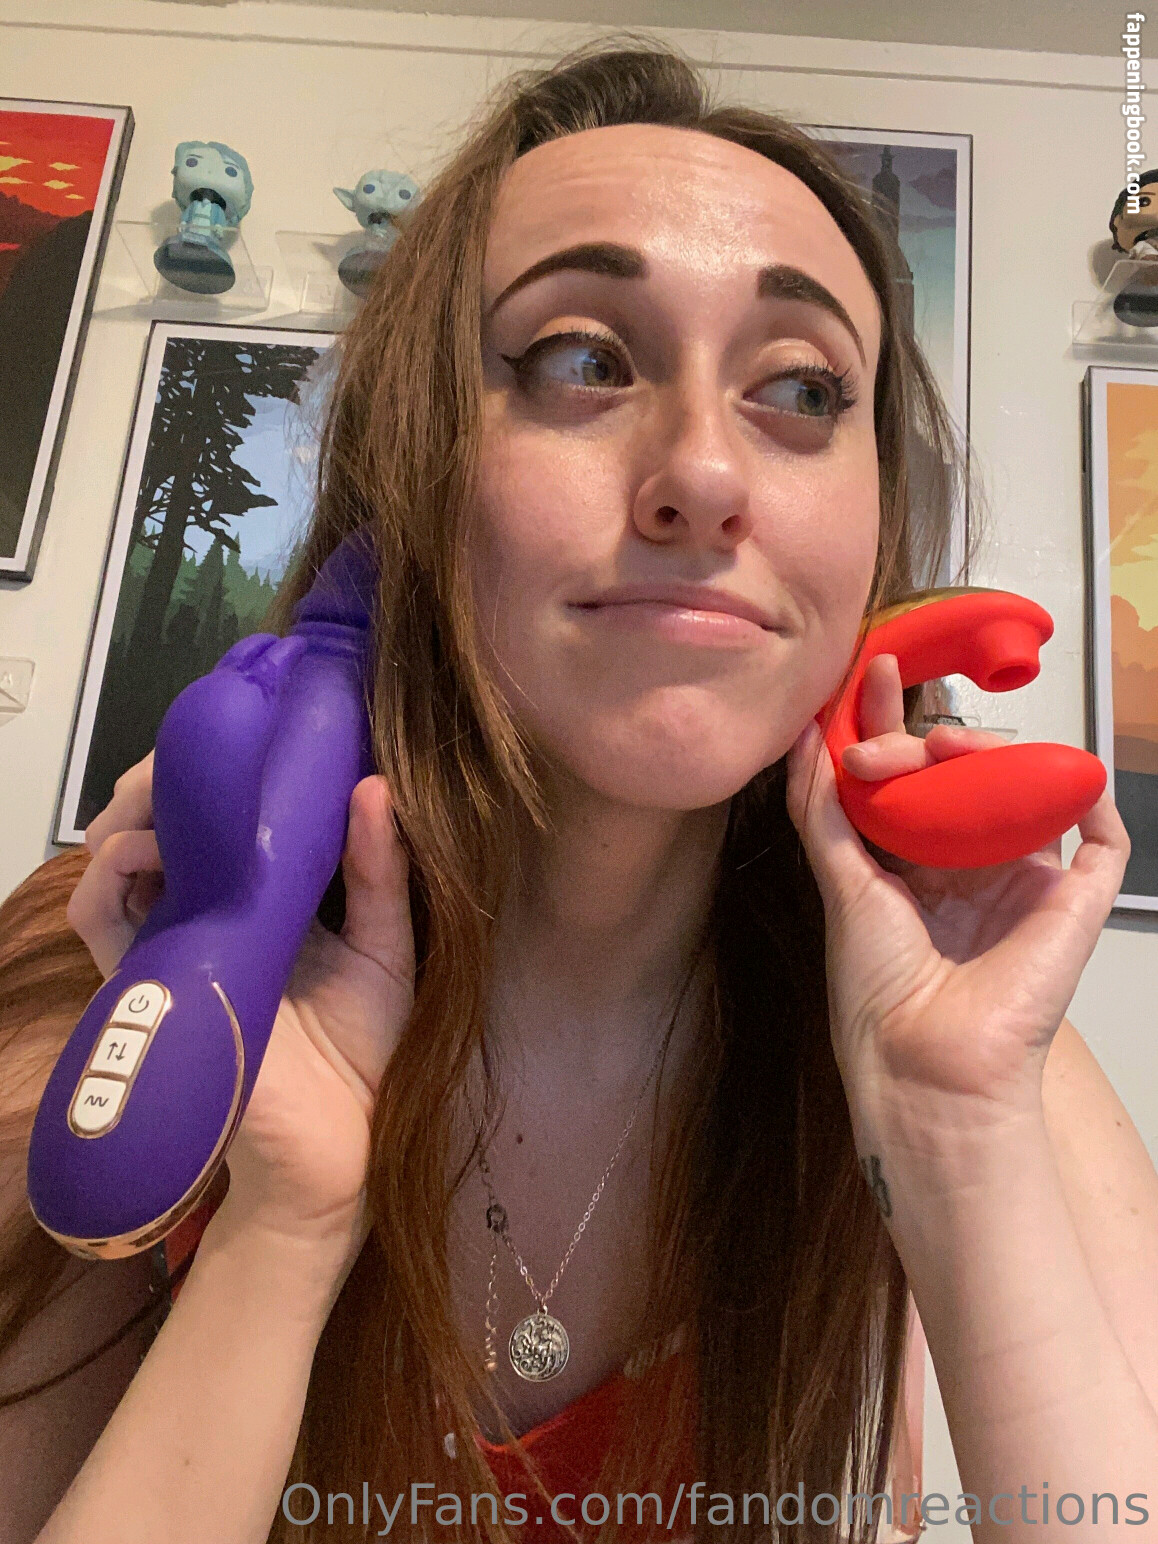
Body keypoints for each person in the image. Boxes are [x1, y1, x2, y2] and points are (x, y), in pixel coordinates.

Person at [1, 41, 1157, 1544]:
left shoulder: (971, 1041)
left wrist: (948, 1141)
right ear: (408, 481)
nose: (705, 476)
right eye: (581, 360)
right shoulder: (121, 978)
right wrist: (280, 1232)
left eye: (802, 387)